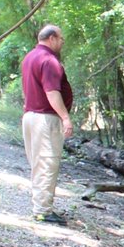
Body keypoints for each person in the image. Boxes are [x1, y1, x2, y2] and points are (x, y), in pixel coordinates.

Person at [21, 24, 73, 225]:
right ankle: (42, 210)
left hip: (30, 116)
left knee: (37, 162)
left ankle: (40, 205)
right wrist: (65, 117)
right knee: (47, 161)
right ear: (51, 38)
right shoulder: (49, 60)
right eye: (60, 39)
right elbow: (52, 92)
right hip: (46, 118)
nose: (61, 42)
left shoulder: (30, 57)